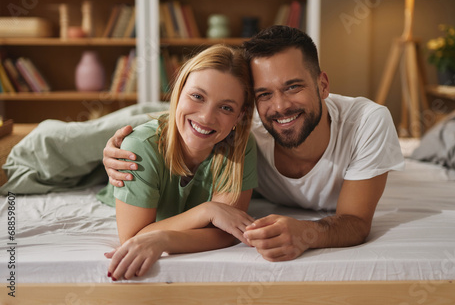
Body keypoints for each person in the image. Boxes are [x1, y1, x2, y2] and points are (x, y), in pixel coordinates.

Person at [103, 26, 404, 263]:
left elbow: (355, 222)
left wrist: (308, 232)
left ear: (323, 85)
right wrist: (116, 145)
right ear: (254, 104)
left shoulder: (366, 123)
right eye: (264, 94)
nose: (281, 106)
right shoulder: (245, 124)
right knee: (69, 139)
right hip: (151, 140)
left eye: (293, 86)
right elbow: (179, 122)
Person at [97, 44, 258, 280]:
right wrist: (208, 211)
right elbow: (133, 238)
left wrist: (165, 239)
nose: (206, 116)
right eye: (197, 96)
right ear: (179, 91)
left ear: (240, 115)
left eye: (225, 107)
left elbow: (226, 232)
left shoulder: (241, 144)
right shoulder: (139, 145)